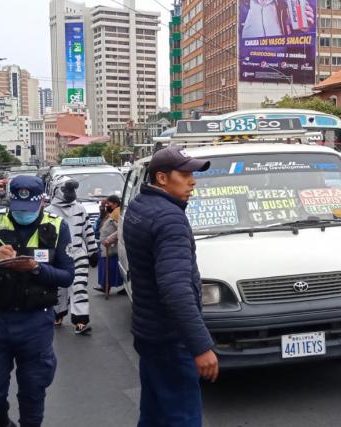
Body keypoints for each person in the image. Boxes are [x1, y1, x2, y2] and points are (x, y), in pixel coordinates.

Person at [0, 175, 75, 427]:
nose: (23, 214)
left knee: (33, 390)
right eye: (18, 208)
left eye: (29, 208)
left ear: (41, 202)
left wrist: (36, 268)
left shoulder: (57, 227)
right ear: (9, 201)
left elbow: (67, 277)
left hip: (36, 322)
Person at [123, 147, 218, 426]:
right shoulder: (169, 218)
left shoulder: (139, 206)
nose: (192, 182)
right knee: (182, 417)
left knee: (154, 413)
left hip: (147, 330)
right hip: (170, 337)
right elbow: (176, 289)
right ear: (162, 178)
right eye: (185, 175)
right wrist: (201, 346)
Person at [46, 176, 99, 334]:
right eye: (66, 189)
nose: (70, 193)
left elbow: (87, 231)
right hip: (58, 256)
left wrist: (92, 251)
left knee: (79, 287)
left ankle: (80, 320)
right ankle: (57, 314)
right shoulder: (48, 212)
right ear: (57, 190)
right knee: (59, 288)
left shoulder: (80, 209)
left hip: (78, 253)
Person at [95, 194, 123, 293]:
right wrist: (102, 208)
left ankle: (107, 286)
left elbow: (120, 229)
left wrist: (110, 239)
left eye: (109, 203)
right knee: (106, 267)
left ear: (115, 204)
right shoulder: (112, 212)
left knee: (110, 268)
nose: (107, 205)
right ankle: (105, 286)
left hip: (111, 247)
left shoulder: (117, 213)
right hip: (106, 246)